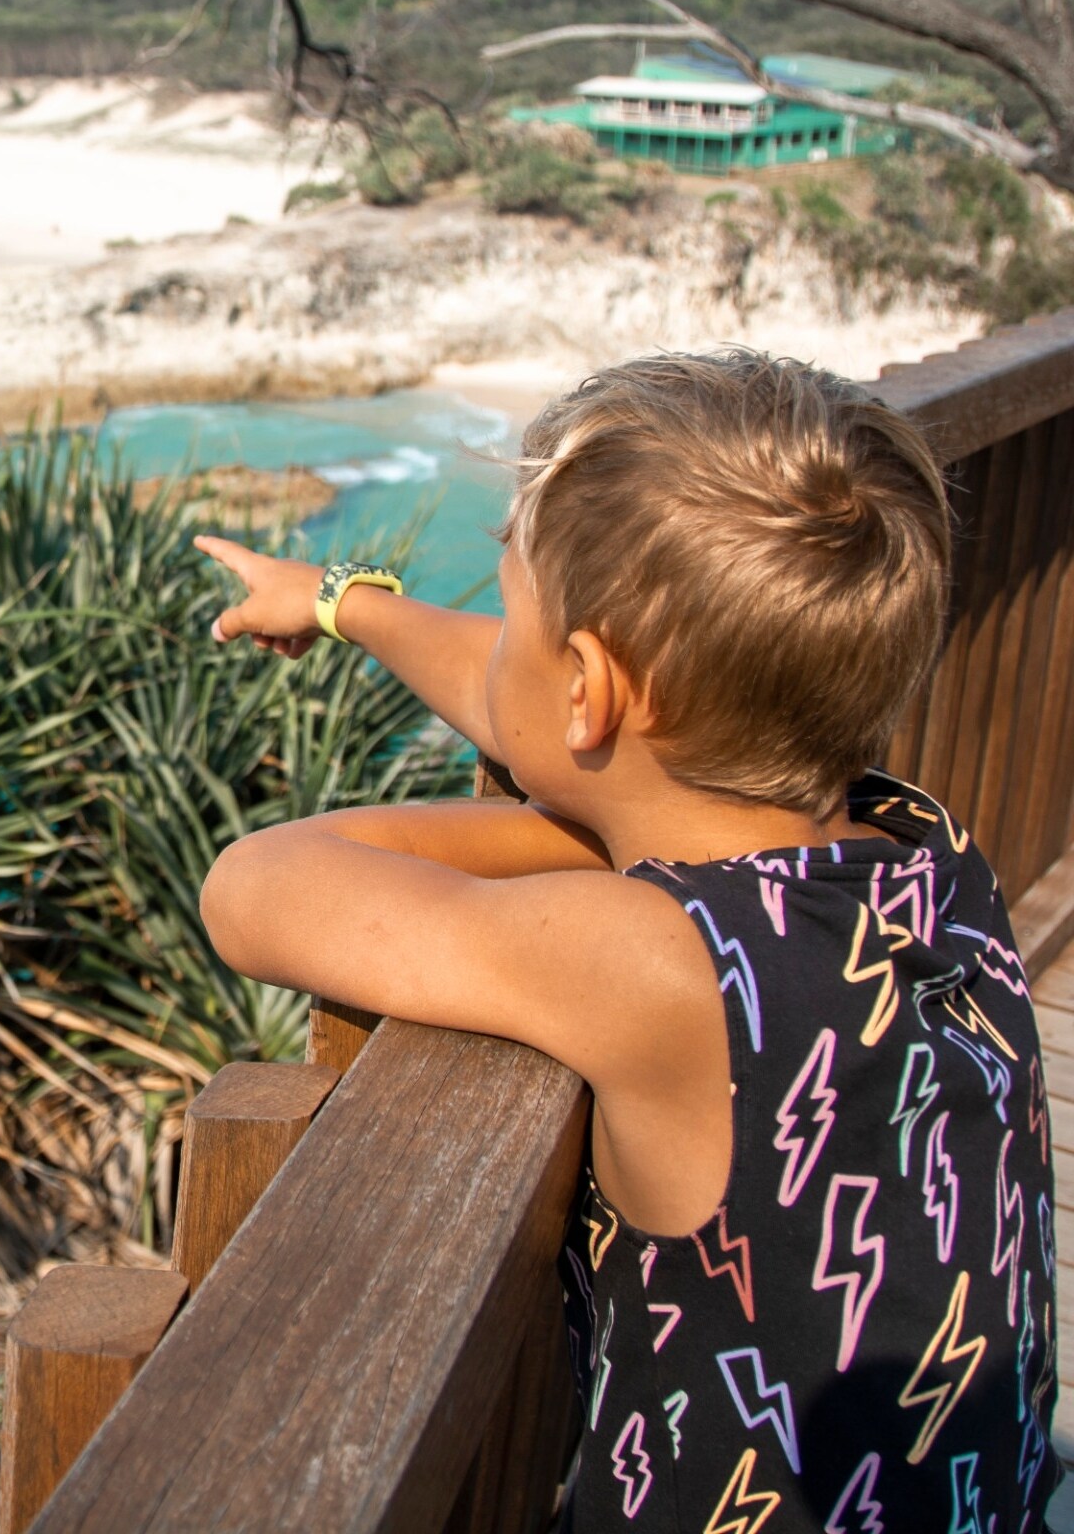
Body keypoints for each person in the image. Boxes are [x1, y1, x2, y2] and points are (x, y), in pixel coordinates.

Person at [196, 350, 1057, 1532]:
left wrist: (571, 838)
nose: (495, 650)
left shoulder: (662, 963)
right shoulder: (931, 855)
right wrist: (347, 602)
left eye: (511, 621)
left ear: (592, 693)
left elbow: (255, 887)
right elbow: (548, 715)